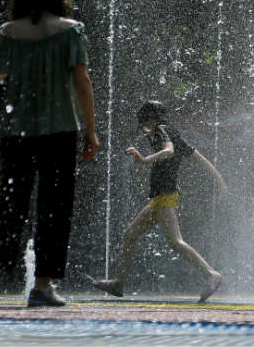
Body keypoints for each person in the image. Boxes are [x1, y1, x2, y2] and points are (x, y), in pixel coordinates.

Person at [0, 0, 100, 308]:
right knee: (54, 207)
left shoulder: (9, 32)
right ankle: (42, 287)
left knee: (10, 203)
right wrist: (91, 130)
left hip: (16, 132)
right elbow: (81, 81)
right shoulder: (70, 30)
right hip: (60, 131)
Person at [93, 100, 227, 302]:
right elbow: (197, 157)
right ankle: (119, 284)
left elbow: (169, 151)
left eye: (144, 122)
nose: (143, 128)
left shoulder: (163, 131)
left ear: (150, 119)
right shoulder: (171, 133)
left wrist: (144, 160)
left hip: (165, 197)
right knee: (130, 235)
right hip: (160, 198)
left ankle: (212, 275)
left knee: (175, 241)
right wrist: (219, 179)